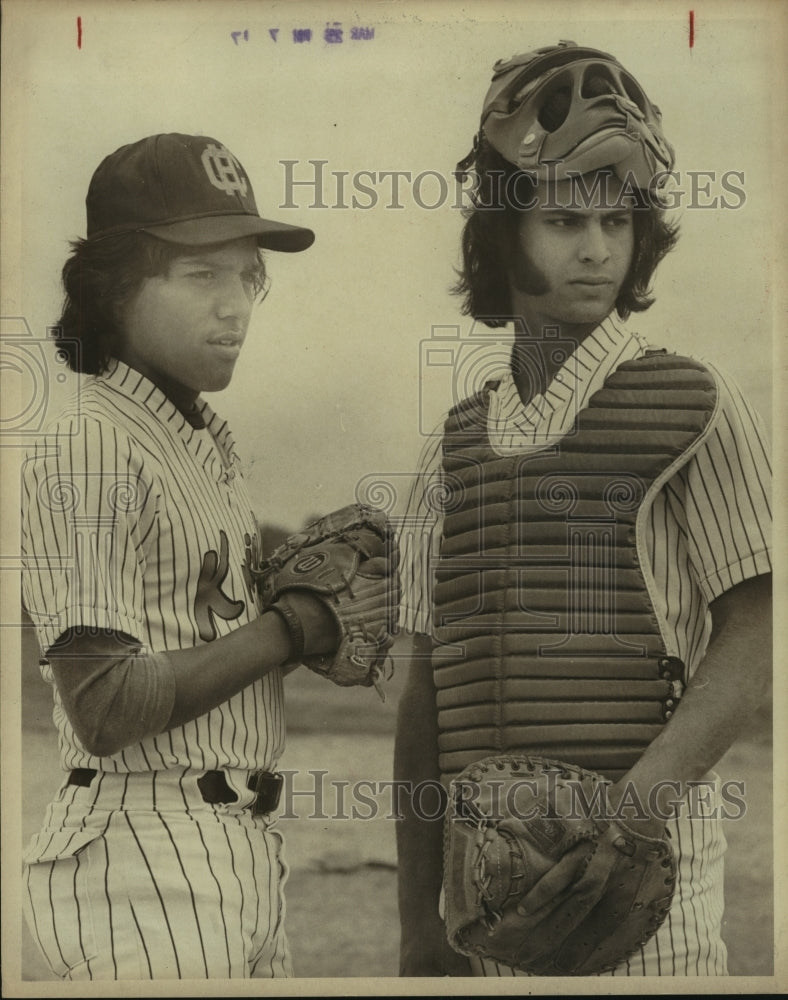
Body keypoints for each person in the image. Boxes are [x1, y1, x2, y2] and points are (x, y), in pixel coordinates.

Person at [394, 42, 772, 978]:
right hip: (488, 905)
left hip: (648, 906)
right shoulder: (447, 450)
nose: (598, 249)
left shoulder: (690, 401)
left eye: (619, 220)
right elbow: (423, 702)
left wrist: (628, 823)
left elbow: (756, 639)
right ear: (501, 234)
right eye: (564, 219)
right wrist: (417, 926)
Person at [20, 132, 344, 980]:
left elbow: (202, 651)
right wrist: (290, 628)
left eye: (249, 277)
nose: (236, 305)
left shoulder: (200, 443)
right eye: (202, 275)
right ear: (114, 286)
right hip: (140, 852)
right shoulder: (89, 442)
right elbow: (105, 701)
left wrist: (321, 633)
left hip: (233, 845)